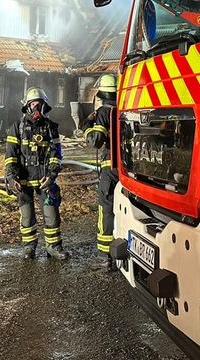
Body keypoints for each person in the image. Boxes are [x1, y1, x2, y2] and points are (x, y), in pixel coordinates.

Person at [4, 87, 69, 260]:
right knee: (26, 217)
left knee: (51, 214)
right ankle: (29, 248)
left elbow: (56, 155)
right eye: (33, 104)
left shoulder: (50, 127)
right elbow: (10, 155)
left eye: (39, 104)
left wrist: (52, 176)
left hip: (44, 180)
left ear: (44, 106)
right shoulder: (17, 127)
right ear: (27, 106)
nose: (37, 107)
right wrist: (11, 177)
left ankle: (53, 248)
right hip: (23, 181)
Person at [82, 74, 118, 270]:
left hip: (110, 169)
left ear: (102, 94)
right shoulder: (124, 108)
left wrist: (87, 126)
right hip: (127, 169)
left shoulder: (104, 112)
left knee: (107, 209)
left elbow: (95, 141)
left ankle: (106, 257)